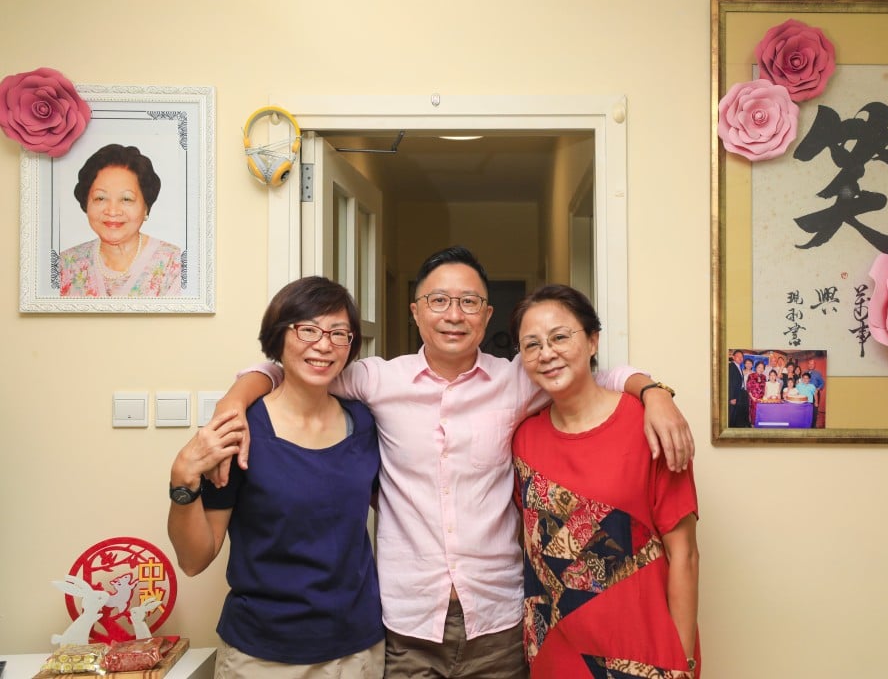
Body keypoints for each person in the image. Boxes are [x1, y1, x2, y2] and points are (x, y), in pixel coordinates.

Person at [210, 246, 694, 678]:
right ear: (416, 312)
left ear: (486, 315)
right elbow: (293, 365)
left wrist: (652, 392)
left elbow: (593, 372)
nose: (453, 314)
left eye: (468, 302)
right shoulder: (377, 380)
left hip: (498, 622)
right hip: (406, 623)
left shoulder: (518, 380)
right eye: (438, 301)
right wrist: (237, 395)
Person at [167, 276, 384, 677]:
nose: (324, 344)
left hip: (357, 649)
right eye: (308, 329)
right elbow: (195, 559)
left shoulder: (364, 422)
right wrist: (182, 481)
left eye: (339, 333)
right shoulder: (240, 430)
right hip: (263, 654)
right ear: (279, 336)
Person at [510, 284, 700, 678]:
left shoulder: (648, 425)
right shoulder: (524, 439)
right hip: (554, 653)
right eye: (532, 345)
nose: (546, 353)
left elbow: (685, 555)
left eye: (560, 337)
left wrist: (683, 663)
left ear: (593, 341)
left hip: (643, 656)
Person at [59, 143, 182, 297]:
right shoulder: (64, 265)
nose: (112, 211)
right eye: (100, 198)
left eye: (126, 199)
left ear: (146, 207)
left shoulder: (175, 265)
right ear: (86, 203)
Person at [727, 349, 748, 427]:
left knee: (737, 413)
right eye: (738, 356)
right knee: (732, 414)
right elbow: (730, 383)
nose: (740, 358)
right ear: (733, 357)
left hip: (740, 393)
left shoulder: (739, 367)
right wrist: (731, 397)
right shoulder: (730, 366)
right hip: (734, 395)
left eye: (741, 357)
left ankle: (736, 427)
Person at [745, 360, 767, 426]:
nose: (761, 369)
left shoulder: (764, 377)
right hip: (753, 399)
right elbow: (748, 388)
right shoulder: (751, 376)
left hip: (761, 399)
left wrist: (764, 397)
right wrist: (752, 398)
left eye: (762, 368)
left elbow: (765, 388)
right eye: (759, 367)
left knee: (761, 413)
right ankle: (752, 426)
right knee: (753, 413)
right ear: (756, 367)